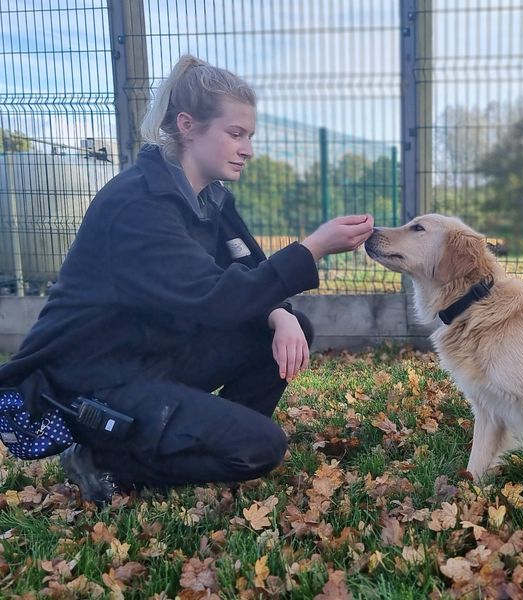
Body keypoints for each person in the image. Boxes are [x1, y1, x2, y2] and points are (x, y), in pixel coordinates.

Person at [0, 55, 374, 504]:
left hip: (148, 356)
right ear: (187, 126)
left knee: (287, 327)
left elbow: (251, 275)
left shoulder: (211, 199)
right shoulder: (137, 206)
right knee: (260, 448)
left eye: (250, 136)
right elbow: (218, 301)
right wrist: (313, 247)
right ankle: (103, 459)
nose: (248, 149)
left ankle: (199, 435)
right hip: (95, 379)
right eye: (235, 134)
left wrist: (281, 314)